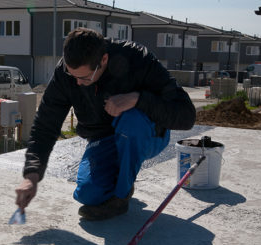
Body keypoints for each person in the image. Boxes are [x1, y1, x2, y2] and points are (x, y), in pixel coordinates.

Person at [15, 27, 196, 221]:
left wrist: (138, 99)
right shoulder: (65, 74)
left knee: (131, 122)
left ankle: (121, 196)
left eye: (84, 78)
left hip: (147, 134)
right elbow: (45, 124)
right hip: (103, 138)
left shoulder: (138, 59)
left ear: (104, 60)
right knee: (88, 194)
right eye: (72, 75)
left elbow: (186, 115)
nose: (77, 83)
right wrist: (31, 175)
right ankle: (121, 176)